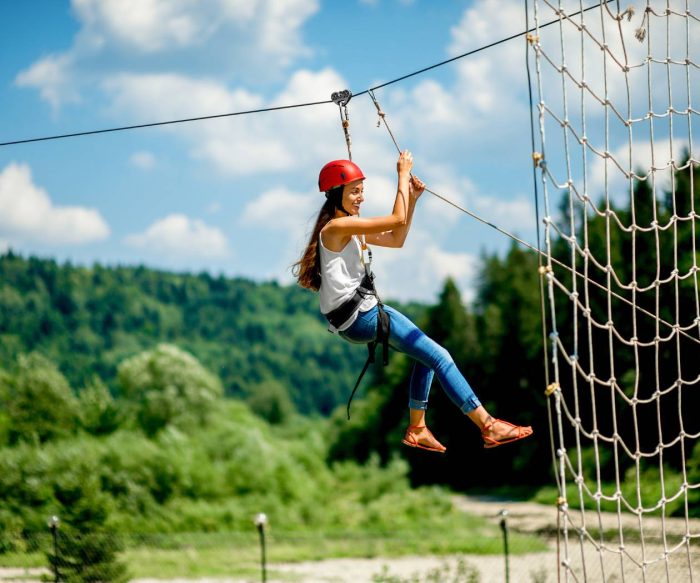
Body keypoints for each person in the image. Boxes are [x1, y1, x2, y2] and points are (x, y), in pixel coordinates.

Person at [293, 152, 533, 453]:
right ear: (335, 194)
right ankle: (488, 425)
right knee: (441, 356)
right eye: (355, 191)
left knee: (427, 355)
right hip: (362, 316)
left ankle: (418, 427)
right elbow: (396, 218)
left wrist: (413, 198)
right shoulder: (337, 229)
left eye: (361, 190)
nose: (360, 197)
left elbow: (397, 237)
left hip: (355, 320)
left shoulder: (351, 230)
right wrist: (402, 175)